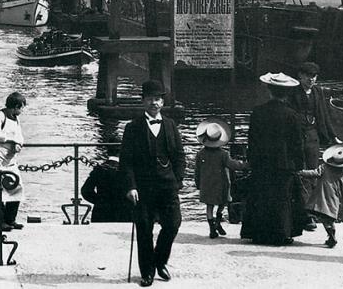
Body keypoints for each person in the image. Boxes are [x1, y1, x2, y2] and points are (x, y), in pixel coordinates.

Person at [119, 79, 185, 287]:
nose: (153, 103)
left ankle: (160, 260)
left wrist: (178, 180)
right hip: (143, 187)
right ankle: (147, 272)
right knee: (144, 229)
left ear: (162, 102)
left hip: (168, 185)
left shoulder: (170, 125)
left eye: (157, 99)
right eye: (149, 99)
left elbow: (179, 156)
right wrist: (131, 186)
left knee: (173, 224)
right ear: (143, 101)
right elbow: (126, 161)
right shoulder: (133, 128)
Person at [240, 72, 305, 246]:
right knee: (282, 199)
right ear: (287, 93)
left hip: (262, 162)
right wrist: (299, 163)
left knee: (261, 196)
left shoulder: (258, 112)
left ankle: (258, 233)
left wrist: (251, 160)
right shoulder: (293, 115)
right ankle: (282, 234)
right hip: (284, 163)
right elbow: (297, 143)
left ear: (269, 90)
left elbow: (252, 139)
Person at [289, 61, 341, 229]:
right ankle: (302, 213)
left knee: (312, 174)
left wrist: (333, 137)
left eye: (314, 77)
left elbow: (323, 115)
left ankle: (311, 212)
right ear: (300, 76)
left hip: (312, 137)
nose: (311, 80)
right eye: (308, 76)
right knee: (298, 171)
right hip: (296, 137)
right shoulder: (292, 92)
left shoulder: (318, 92)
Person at [194, 118, 248, 238]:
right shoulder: (223, 154)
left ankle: (212, 227)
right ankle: (217, 221)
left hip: (206, 183)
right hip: (221, 183)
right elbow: (233, 165)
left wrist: (198, 183)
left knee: (209, 205)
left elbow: (197, 170)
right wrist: (245, 165)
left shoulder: (200, 154)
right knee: (223, 202)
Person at [297, 144, 343, 248]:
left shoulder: (324, 168)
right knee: (329, 219)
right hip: (334, 200)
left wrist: (301, 172)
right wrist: (341, 201)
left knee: (323, 218)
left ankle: (331, 236)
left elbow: (314, 173)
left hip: (322, 198)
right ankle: (331, 236)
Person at [0, 92, 27, 231]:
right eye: (21, 107)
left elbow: (19, 136)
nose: (22, 110)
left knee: (16, 185)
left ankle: (10, 219)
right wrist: (10, 140)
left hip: (9, 159)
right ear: (15, 106)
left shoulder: (15, 118)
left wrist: (18, 144)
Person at [80, 156, 132, 223]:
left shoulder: (99, 170)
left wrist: (98, 201)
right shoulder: (127, 172)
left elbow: (85, 191)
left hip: (101, 212)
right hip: (123, 213)